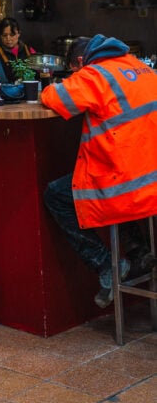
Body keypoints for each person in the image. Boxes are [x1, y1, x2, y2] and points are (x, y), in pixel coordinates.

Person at [41, 35, 157, 308]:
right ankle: (139, 251)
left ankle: (108, 265)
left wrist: (54, 84)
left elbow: (54, 98)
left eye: (73, 70)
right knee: (112, 185)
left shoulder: (93, 76)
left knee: (57, 195)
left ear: (80, 62)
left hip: (127, 182)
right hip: (150, 177)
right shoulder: (140, 67)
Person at [0, 16, 35, 84]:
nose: (8, 38)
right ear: (0, 36)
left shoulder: (28, 50)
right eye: (5, 35)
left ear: (18, 34)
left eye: (12, 35)